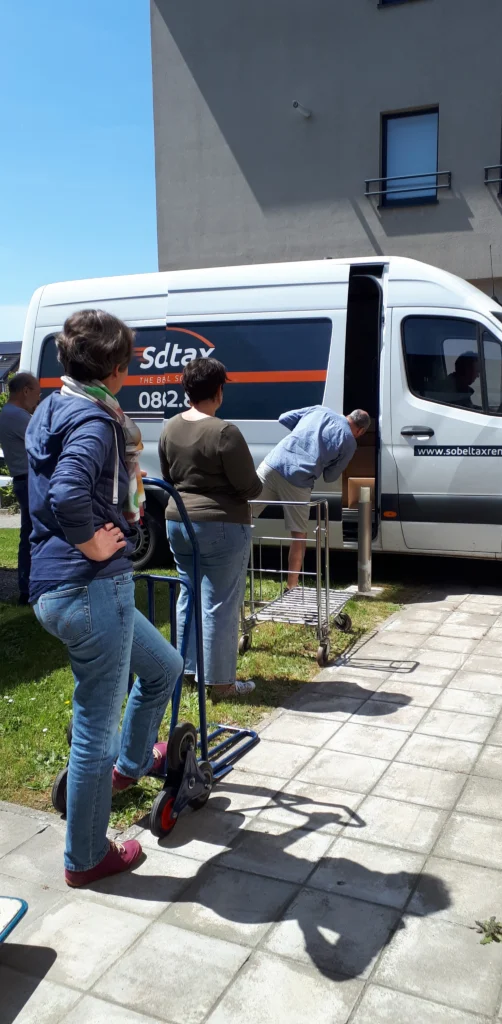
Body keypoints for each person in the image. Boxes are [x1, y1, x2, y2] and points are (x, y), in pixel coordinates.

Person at [26, 309, 183, 888]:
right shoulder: (95, 421)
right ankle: (87, 857)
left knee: (164, 668)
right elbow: (68, 492)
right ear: (115, 368)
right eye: (128, 362)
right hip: (90, 589)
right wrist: (92, 541)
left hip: (59, 588)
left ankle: (130, 766)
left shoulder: (53, 405)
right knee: (95, 726)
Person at [159, 358, 262, 701]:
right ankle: (221, 683)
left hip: (178, 520)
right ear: (218, 391)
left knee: (188, 594)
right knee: (220, 602)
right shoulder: (224, 432)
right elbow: (250, 486)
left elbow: (169, 476)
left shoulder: (170, 427)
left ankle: (186, 669)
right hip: (221, 524)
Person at [255, 406, 371, 588]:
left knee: (241, 515)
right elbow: (330, 476)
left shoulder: (320, 410)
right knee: (299, 535)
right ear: (360, 431)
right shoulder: (349, 441)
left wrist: (303, 436)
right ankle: (291, 587)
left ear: (348, 415)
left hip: (272, 464)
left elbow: (283, 417)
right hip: (298, 479)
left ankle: (225, 567)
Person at [0, 372, 41, 604]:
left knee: (29, 533)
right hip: (30, 480)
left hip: (23, 480)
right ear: (26, 390)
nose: (38, 399)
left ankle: (27, 588)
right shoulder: (17, 416)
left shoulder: (9, 413)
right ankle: (30, 588)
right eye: (37, 393)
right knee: (36, 534)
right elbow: (45, 440)